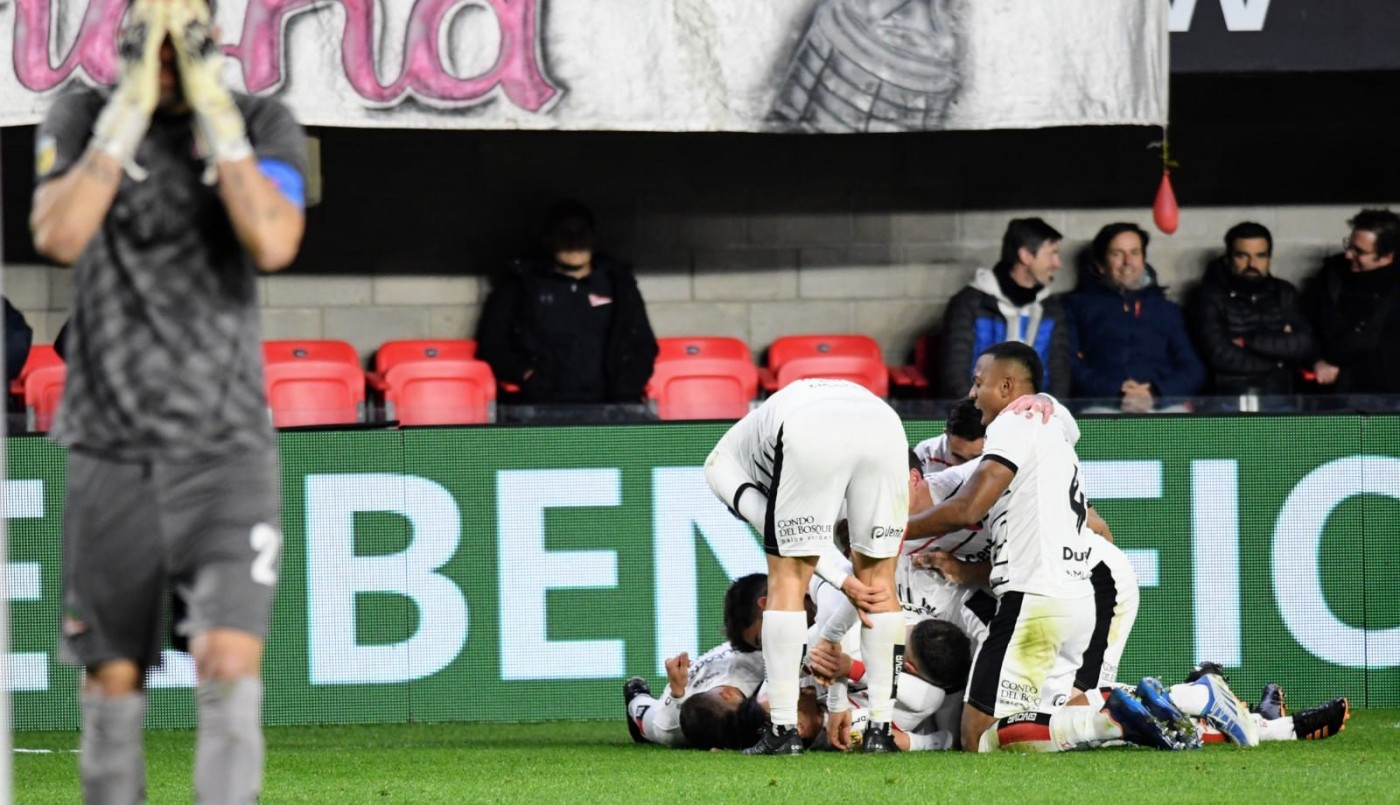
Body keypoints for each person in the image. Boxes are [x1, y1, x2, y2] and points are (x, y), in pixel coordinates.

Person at [29, 1, 307, 801]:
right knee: (112, 681)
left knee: (227, 661)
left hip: (226, 450)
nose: (161, 50)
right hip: (112, 448)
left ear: (209, 37)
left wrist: (215, 111)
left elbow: (274, 240)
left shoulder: (260, 120)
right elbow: (58, 233)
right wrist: (127, 115)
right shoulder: (82, 113)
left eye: (179, 32)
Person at [904, 343, 1225, 752]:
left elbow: (968, 508)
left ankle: (1138, 715)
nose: (971, 392)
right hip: (1071, 594)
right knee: (1058, 713)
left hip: (1037, 595)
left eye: (979, 383)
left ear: (1006, 387)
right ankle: (1197, 700)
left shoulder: (1013, 425)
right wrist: (1046, 399)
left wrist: (894, 533)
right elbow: (1065, 426)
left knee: (979, 737)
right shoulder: (1046, 424)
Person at [703, 378, 910, 754]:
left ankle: (783, 731)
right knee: (881, 582)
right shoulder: (761, 434)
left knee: (786, 580)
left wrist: (842, 581)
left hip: (811, 427)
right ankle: (881, 731)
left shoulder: (720, 467)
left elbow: (791, 545)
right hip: (885, 421)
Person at [476, 200, 659, 405]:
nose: (574, 241)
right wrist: (527, 376)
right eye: (565, 233)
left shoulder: (617, 282)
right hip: (540, 408)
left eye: (582, 232)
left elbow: (643, 345)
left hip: (608, 406)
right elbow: (493, 344)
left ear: (594, 238)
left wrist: (626, 391)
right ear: (548, 239)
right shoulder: (521, 283)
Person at [1066, 223, 1206, 412]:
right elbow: (1068, 365)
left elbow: (1193, 368)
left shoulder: (1167, 310)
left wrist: (1155, 392)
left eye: (1135, 253)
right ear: (1100, 265)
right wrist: (1116, 391)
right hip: (1101, 405)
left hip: (1162, 405)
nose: (1127, 261)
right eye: (1117, 254)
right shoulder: (1076, 307)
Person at [624, 573, 767, 747]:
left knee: (649, 721)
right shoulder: (762, 675)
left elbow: (664, 728)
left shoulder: (672, 726)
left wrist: (677, 692)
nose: (766, 645)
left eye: (759, 642)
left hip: (683, 693)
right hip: (689, 693)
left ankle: (637, 695)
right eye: (760, 641)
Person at [939, 217, 1072, 400]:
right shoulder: (969, 303)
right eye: (1052, 254)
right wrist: (981, 412)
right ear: (1025, 255)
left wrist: (1044, 409)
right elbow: (955, 375)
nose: (1058, 264)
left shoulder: (1051, 308)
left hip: (1035, 417)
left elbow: (1060, 376)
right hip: (978, 416)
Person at [1189, 222, 1316, 398]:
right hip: (1228, 399)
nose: (1252, 264)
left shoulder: (1284, 292)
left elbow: (1304, 344)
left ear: (1269, 258)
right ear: (1228, 259)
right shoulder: (1208, 296)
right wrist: (1279, 361)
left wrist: (1245, 342)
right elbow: (1219, 355)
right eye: (1243, 256)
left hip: (1282, 396)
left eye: (1260, 256)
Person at [1304, 209, 1400, 395]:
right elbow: (1305, 325)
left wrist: (1332, 360)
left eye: (1359, 251)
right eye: (1349, 245)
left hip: (1388, 395)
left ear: (1387, 257)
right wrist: (1316, 360)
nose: (1348, 255)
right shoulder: (1332, 276)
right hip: (1334, 394)